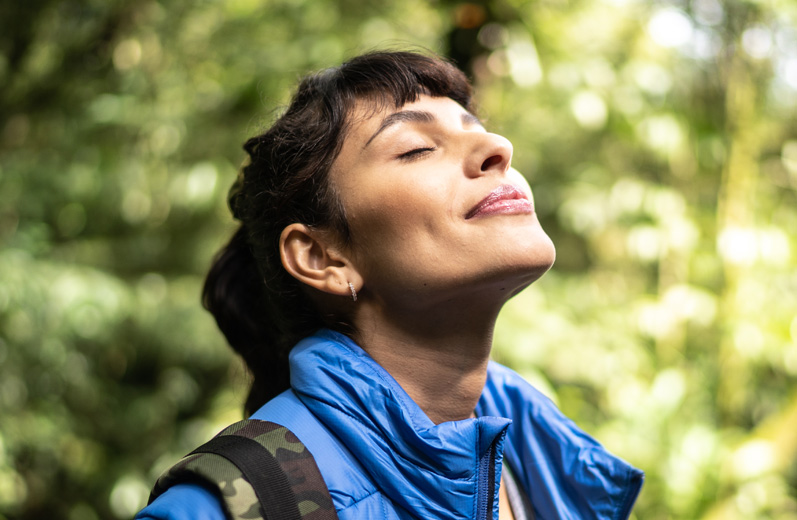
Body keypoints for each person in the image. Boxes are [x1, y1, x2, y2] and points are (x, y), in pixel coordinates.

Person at [136, 49, 643, 520]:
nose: (498, 148)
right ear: (323, 257)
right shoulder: (220, 507)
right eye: (417, 148)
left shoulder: (545, 465)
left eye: (480, 130)